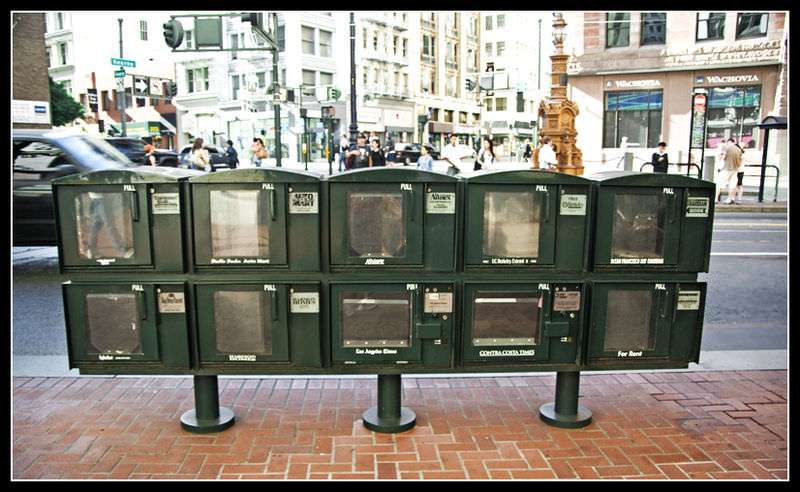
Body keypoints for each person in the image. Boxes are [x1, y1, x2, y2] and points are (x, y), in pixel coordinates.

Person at [717, 139, 743, 204]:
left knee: (719, 184)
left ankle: (715, 199)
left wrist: (720, 154)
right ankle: (729, 199)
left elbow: (722, 157)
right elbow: (740, 160)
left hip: (726, 168)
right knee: (732, 185)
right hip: (735, 169)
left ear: (729, 142)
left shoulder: (726, 148)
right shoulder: (738, 149)